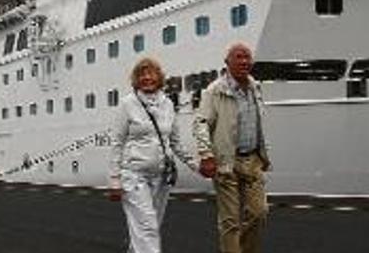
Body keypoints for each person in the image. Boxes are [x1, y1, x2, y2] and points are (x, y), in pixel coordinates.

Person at [108, 58, 196, 253]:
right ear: (136, 80)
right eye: (142, 74)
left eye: (151, 73)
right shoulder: (127, 104)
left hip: (161, 176)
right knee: (146, 227)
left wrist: (196, 166)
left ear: (159, 77)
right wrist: (115, 180)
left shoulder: (168, 104)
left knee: (149, 226)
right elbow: (117, 143)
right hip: (134, 174)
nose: (147, 78)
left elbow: (175, 143)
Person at [193, 43, 271, 253]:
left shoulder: (255, 87)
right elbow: (201, 123)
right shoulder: (215, 91)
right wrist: (206, 155)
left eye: (247, 57)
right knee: (230, 221)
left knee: (259, 213)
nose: (244, 61)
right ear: (227, 62)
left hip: (252, 160)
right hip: (226, 161)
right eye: (238, 57)